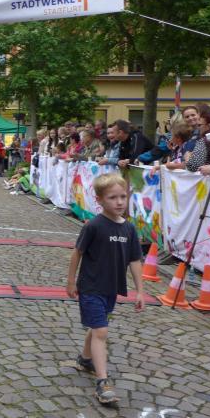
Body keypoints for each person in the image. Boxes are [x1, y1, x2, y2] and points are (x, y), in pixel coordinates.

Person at [66, 173, 145, 405]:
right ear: (99, 200)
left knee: (97, 326)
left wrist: (140, 290)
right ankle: (103, 382)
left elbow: (135, 260)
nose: (119, 202)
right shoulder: (94, 226)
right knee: (101, 331)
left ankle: (85, 359)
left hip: (111, 289)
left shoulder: (129, 229)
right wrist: (71, 281)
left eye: (123, 197)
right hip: (91, 287)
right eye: (112, 197)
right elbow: (77, 253)